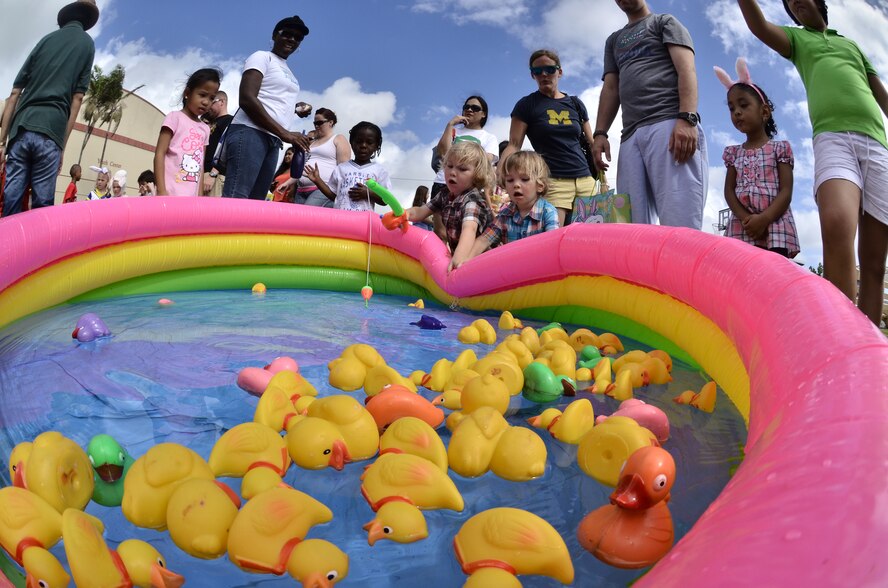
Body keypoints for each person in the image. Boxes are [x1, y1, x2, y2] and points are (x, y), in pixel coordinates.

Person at [738, 0, 888, 326]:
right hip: (833, 140)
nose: (794, 1)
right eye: (788, 2)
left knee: (874, 262)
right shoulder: (798, 40)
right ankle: (842, 337)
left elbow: (880, 93)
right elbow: (759, 27)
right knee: (836, 223)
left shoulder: (850, 45)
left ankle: (870, 349)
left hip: (877, 146)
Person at [592, 0, 707, 229]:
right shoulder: (613, 40)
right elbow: (611, 88)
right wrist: (599, 133)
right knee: (631, 225)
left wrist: (687, 118)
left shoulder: (664, 22)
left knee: (679, 222)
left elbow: (687, 69)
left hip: (669, 123)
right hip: (630, 135)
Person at [0, 0, 98, 216]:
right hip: (51, 132)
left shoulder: (45, 40)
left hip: (22, 128)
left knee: (11, 199)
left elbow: (15, 93)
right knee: (42, 207)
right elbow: (78, 98)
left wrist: (1, 142)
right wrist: (61, 146)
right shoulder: (86, 44)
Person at [222, 15, 313, 199]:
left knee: (257, 202)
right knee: (237, 197)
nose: (292, 39)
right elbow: (247, 98)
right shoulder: (262, 57)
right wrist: (285, 133)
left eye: (298, 38)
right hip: (250, 132)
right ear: (274, 35)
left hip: (273, 140)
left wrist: (295, 108)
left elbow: (271, 101)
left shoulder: (290, 73)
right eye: (287, 34)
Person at [716, 59, 799, 259]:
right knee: (740, 275)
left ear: (764, 112)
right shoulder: (733, 153)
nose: (736, 111)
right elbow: (729, 191)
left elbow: (786, 191)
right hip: (742, 225)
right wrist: (747, 219)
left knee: (774, 274)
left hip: (774, 223)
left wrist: (764, 219)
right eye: (731, 108)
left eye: (743, 105)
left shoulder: (780, 149)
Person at [502, 50, 596, 226]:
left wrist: (600, 159)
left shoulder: (575, 103)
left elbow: (591, 142)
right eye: (538, 71)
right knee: (555, 238)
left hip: (585, 181)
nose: (544, 74)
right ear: (532, 75)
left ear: (559, 72)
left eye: (549, 69)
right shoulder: (527, 105)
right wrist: (500, 173)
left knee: (590, 238)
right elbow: (514, 144)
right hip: (553, 182)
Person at [405, 141, 494, 270]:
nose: (452, 172)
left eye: (462, 169)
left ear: (477, 175)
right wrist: (403, 214)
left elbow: (469, 230)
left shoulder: (473, 200)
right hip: (460, 256)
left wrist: (458, 259)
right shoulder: (444, 194)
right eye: (449, 166)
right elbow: (420, 212)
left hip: (483, 261)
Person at [462, 151, 560, 266]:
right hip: (511, 274)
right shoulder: (504, 216)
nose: (516, 185)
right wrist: (465, 261)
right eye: (510, 180)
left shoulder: (548, 212)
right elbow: (484, 240)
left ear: (540, 186)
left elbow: (554, 245)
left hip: (539, 271)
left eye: (524, 179)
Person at [154, 68, 220, 197]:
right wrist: (161, 191)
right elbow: (159, 154)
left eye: (211, 98)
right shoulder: (174, 118)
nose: (206, 102)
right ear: (187, 93)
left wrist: (199, 196)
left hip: (191, 198)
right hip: (169, 192)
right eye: (202, 95)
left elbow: (200, 165)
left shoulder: (205, 128)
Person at [304, 121, 390, 211]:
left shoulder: (380, 171)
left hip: (364, 222)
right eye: (359, 141)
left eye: (369, 142)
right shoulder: (341, 168)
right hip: (341, 220)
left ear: (377, 146)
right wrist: (318, 180)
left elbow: (386, 200)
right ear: (351, 143)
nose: (363, 145)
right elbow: (334, 196)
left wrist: (368, 193)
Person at [431, 96, 498, 200]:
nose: (469, 110)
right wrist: (450, 125)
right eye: (466, 107)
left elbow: (486, 161)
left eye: (475, 108)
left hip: (470, 186)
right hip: (442, 182)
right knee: (438, 216)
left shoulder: (489, 137)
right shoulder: (453, 130)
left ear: (483, 114)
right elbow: (443, 153)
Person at [290, 107, 350, 207]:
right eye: (315, 123)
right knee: (297, 220)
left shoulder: (338, 138)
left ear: (330, 122)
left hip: (323, 189)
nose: (316, 126)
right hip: (301, 190)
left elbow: (344, 169)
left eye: (320, 123)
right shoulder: (312, 143)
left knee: (306, 216)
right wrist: (289, 182)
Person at [203, 90, 231, 197]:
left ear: (222, 102)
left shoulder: (230, 121)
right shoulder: (211, 122)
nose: (209, 105)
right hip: (203, 175)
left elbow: (227, 149)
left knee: (209, 212)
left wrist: (213, 174)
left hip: (214, 176)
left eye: (212, 101)